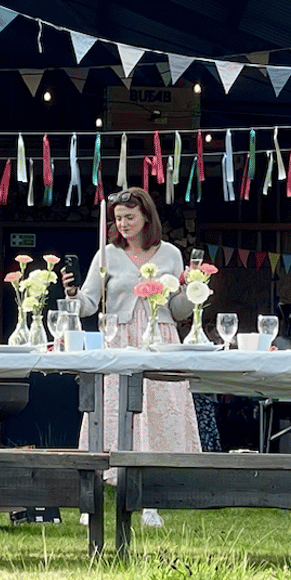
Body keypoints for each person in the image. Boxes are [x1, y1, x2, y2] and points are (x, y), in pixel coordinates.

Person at [64, 188, 206, 456]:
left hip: (161, 339)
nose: (123, 224)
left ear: (146, 217)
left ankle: (167, 465)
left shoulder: (171, 254)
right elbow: (89, 305)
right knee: (114, 403)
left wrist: (194, 291)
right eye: (118, 219)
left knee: (163, 401)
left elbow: (177, 311)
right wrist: (72, 294)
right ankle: (111, 464)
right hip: (120, 338)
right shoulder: (107, 254)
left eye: (129, 217)